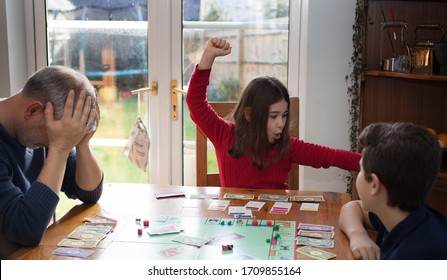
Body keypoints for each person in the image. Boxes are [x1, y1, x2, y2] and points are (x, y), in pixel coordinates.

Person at [186, 38, 361, 189]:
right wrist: (207, 57)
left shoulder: (286, 145)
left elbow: (330, 156)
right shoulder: (224, 135)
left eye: (284, 115)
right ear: (249, 115)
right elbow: (195, 103)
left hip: (277, 222)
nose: (281, 123)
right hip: (236, 224)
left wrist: (372, 162)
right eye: (274, 116)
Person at [0, 65, 104, 259]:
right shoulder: (52, 140)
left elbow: (88, 192)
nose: (50, 144)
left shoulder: (41, 131)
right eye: (53, 137)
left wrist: (82, 142)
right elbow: (25, 229)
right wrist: (60, 148)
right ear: (34, 111)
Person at [339, 122, 447, 260]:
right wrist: (357, 234)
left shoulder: (407, 257)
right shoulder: (408, 214)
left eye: (360, 170)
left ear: (374, 185)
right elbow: (352, 207)